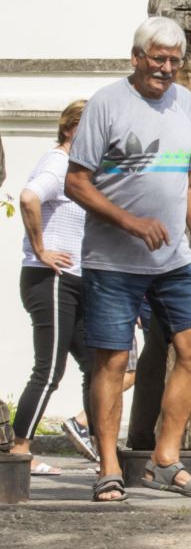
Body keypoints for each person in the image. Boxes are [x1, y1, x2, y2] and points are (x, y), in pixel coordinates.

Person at [65, 16, 191, 503]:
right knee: (113, 360)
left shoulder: (186, 104)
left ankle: (165, 459)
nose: (167, 68)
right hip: (112, 260)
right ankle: (109, 466)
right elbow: (77, 182)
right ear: (136, 57)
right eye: (158, 58)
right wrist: (130, 222)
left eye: (175, 60)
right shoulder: (107, 104)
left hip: (176, 261)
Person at [12, 100, 93, 475]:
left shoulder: (80, 169)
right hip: (52, 280)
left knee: (99, 365)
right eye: (88, 126)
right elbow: (29, 197)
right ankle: (19, 450)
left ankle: (92, 435)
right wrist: (41, 249)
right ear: (69, 129)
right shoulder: (58, 163)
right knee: (49, 370)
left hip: (73, 281)